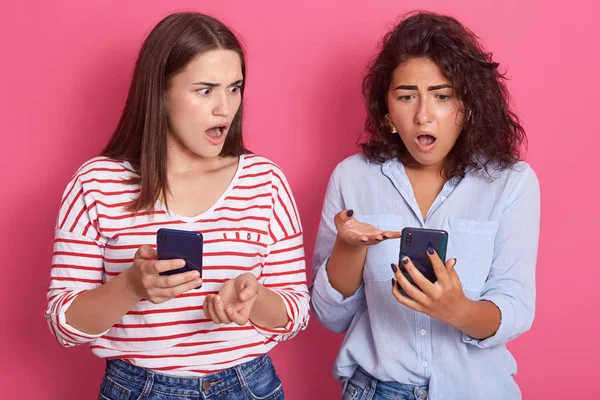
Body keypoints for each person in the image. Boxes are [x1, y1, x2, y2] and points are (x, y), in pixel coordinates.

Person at [45, 12, 309, 399]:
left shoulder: (265, 181)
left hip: (248, 386)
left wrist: (253, 299)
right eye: (205, 90)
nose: (225, 107)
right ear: (160, 93)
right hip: (138, 388)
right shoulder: (96, 183)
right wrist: (132, 285)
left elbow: (295, 313)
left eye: (234, 88)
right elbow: (63, 325)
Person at [311, 11, 539, 400]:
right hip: (374, 389)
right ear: (387, 114)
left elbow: (515, 306)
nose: (422, 115)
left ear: (467, 106)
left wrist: (459, 310)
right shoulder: (352, 177)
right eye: (405, 97)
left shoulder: (511, 182)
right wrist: (347, 249)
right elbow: (330, 317)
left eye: (442, 95)